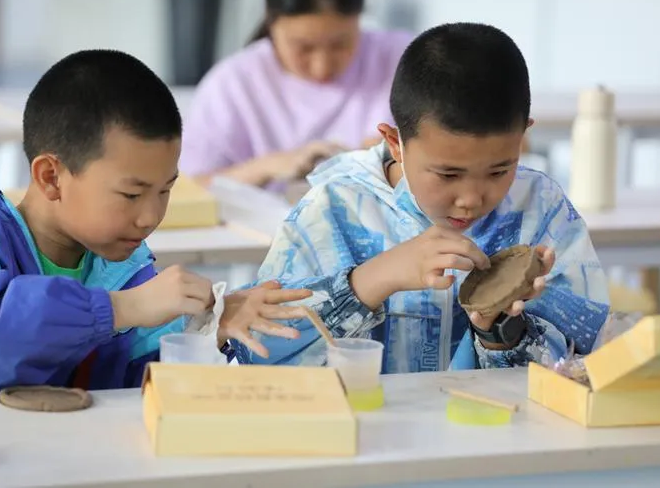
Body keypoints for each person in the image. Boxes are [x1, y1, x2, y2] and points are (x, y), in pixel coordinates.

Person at [0, 49, 310, 399]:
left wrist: (205, 331)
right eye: (131, 194)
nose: (151, 217)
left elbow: (124, 383)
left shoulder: (121, 266)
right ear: (51, 177)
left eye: (165, 190)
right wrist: (119, 309)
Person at [232, 23, 610, 372]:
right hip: (360, 422)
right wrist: (373, 279)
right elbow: (259, 352)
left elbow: (578, 362)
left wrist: (499, 330)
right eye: (448, 174)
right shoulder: (332, 210)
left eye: (499, 171)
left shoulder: (541, 209)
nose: (470, 199)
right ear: (395, 143)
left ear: (522, 136)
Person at [180, 0, 412, 188]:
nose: (321, 66)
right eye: (304, 48)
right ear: (271, 20)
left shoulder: (405, 59)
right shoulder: (233, 84)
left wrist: (402, 157)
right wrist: (265, 168)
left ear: (360, 15)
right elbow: (186, 188)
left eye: (340, 44)